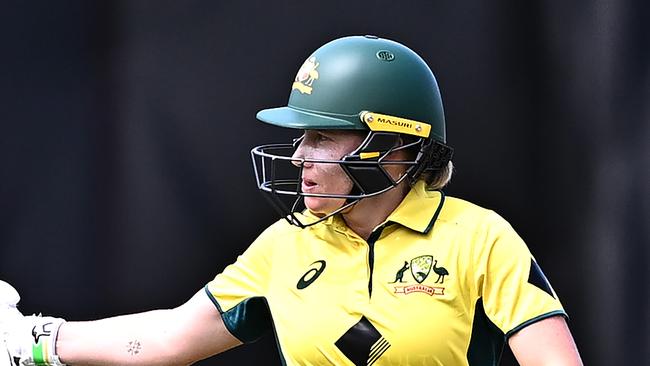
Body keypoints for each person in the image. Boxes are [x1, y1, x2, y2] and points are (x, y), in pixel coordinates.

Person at [0, 35, 583, 365]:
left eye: (322, 136)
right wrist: (33, 340)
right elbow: (167, 339)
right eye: (299, 137)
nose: (301, 155)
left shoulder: (480, 238)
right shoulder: (287, 244)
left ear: (391, 145)